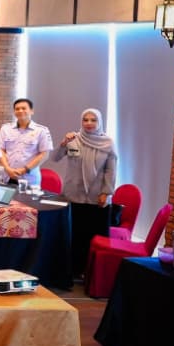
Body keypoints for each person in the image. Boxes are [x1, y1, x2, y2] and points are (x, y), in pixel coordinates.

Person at [52, 108, 118, 277]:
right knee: (74, 235)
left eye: (93, 120)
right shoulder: (74, 139)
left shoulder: (108, 143)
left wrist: (106, 192)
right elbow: (55, 158)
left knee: (93, 236)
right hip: (73, 196)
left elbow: (111, 170)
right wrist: (63, 143)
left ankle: (91, 274)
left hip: (96, 197)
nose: (89, 123)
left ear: (99, 122)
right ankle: (72, 271)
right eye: (85, 120)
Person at [0, 98, 54, 187]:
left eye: (24, 108)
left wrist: (24, 169)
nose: (20, 111)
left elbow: (44, 154)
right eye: (17, 109)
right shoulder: (5, 129)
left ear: (32, 111)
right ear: (14, 112)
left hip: (29, 179)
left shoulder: (41, 131)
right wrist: (7, 168)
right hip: (8, 176)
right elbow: (0, 149)